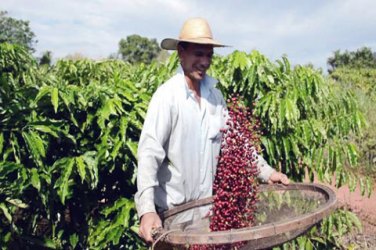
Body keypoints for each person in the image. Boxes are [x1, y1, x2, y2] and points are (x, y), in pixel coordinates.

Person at [134, 17, 289, 243]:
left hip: (206, 217)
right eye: (198, 54)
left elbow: (237, 144)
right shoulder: (167, 98)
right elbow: (149, 153)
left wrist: (267, 172)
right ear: (181, 53)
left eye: (209, 55)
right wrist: (147, 211)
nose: (205, 61)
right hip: (171, 220)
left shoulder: (215, 98)